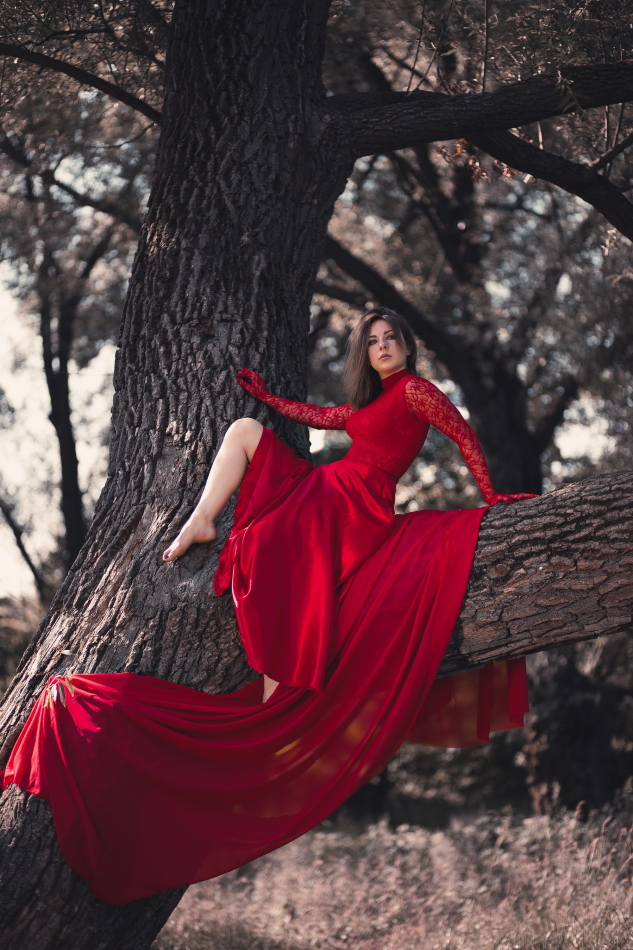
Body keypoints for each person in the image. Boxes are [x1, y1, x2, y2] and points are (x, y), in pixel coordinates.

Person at [1, 308, 534, 905]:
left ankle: (281, 661)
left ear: (408, 347)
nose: (383, 347)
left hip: (357, 504)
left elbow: (462, 433)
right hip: (330, 488)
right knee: (243, 431)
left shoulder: (415, 390)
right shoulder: (369, 401)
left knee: (268, 537)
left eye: (391, 339)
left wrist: (491, 496)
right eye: (373, 342)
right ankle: (202, 520)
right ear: (365, 353)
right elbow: (323, 417)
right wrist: (268, 397)